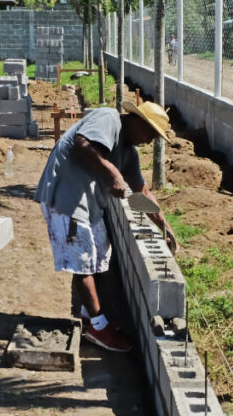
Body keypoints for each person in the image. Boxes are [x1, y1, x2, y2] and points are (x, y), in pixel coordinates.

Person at [34, 101, 178, 353]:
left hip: (89, 206)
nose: (148, 141)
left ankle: (89, 317)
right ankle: (98, 327)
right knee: (82, 263)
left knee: (100, 258)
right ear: (136, 120)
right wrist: (112, 172)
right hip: (66, 198)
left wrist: (164, 226)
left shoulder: (129, 153)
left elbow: (141, 192)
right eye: (149, 133)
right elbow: (82, 144)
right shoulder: (108, 118)